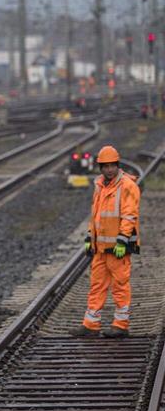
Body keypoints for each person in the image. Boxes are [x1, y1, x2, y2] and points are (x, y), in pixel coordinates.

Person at [69, 145, 141, 338]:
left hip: (118, 248)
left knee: (120, 286)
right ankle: (91, 325)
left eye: (112, 165)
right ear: (100, 167)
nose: (109, 169)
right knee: (96, 286)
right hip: (100, 247)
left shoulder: (127, 186)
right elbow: (97, 216)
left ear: (117, 165)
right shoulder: (100, 185)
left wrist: (122, 240)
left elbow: (129, 216)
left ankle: (121, 325)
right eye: (105, 166)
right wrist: (89, 237)